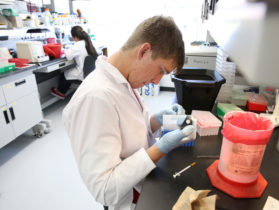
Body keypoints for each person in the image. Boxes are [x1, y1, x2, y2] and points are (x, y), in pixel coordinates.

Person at [62, 16, 195, 210]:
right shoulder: (95, 98)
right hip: (131, 201)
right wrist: (160, 149)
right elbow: (104, 189)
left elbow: (131, 131)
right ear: (144, 50)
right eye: (160, 70)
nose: (157, 81)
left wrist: (159, 121)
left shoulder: (124, 81)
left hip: (146, 182)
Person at [51, 25, 98, 99]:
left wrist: (64, 49)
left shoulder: (78, 44)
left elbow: (68, 55)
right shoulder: (88, 42)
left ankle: (61, 92)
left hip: (82, 72)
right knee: (69, 73)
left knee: (64, 73)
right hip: (90, 72)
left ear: (75, 37)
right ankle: (66, 90)